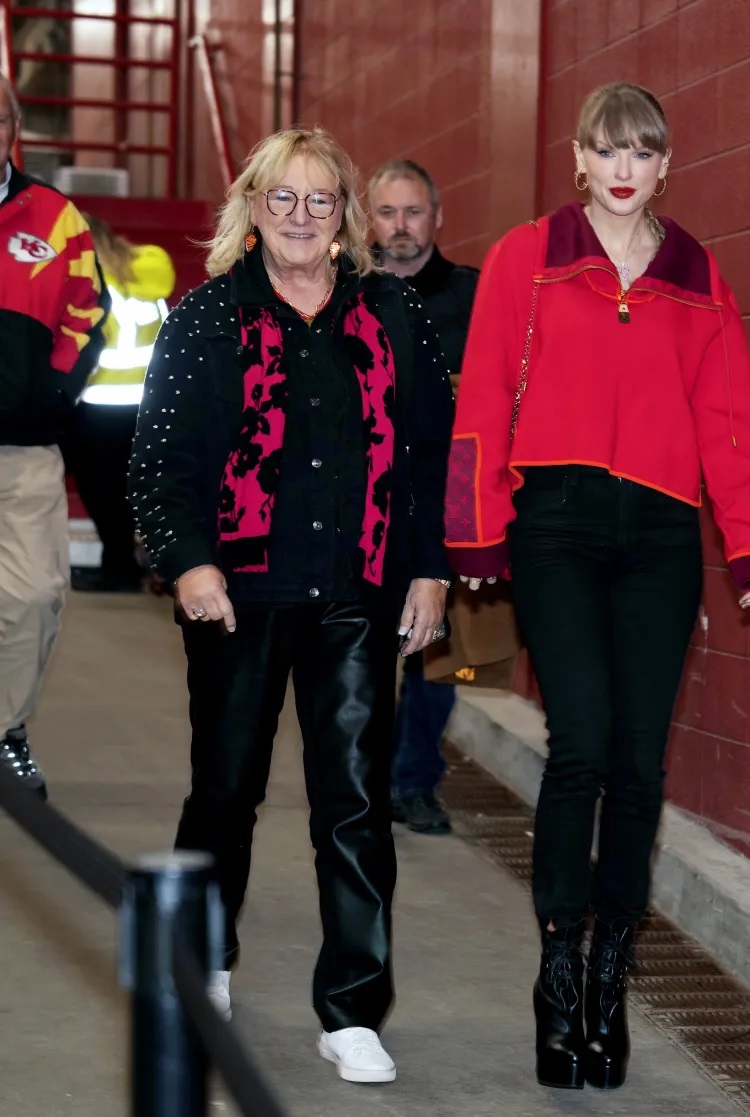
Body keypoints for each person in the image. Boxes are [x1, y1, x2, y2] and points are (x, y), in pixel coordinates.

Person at [444, 83, 750, 1092]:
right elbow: (479, 389)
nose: (625, 167)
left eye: (644, 150)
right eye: (608, 149)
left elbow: (730, 420)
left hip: (663, 542)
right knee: (582, 744)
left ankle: (609, 979)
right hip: (556, 527)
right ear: (581, 159)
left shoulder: (696, 276)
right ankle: (557, 975)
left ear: (667, 162)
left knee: (639, 764)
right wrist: (474, 532)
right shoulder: (528, 257)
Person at [129, 126, 453, 1084]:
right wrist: (189, 564)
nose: (302, 217)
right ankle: (204, 964)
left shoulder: (393, 313)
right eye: (284, 199)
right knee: (225, 789)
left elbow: (432, 454)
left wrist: (429, 568)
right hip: (238, 594)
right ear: (252, 208)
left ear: (344, 216)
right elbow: (160, 458)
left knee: (353, 802)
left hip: (359, 592)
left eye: (321, 200)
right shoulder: (207, 317)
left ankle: (353, 1009)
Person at [0, 71, 109, 799]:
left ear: (8, 127)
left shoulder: (54, 218)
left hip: (23, 449)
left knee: (35, 596)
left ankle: (5, 727)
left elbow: (90, 312)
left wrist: (52, 392)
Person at [369, 159, 478, 835]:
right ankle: (365, 781)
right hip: (370, 504)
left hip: (450, 504)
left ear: (437, 219)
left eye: (414, 212)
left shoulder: (479, 296)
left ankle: (414, 781)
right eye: (387, 212)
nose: (401, 226)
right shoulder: (345, 294)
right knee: (364, 652)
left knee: (441, 656)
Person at [62, 214, 175, 593]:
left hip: (97, 407)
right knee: (138, 490)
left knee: (103, 493)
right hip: (151, 404)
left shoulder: (84, 282)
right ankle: (134, 564)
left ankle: (119, 568)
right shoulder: (150, 267)